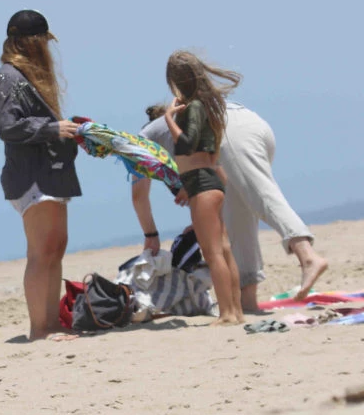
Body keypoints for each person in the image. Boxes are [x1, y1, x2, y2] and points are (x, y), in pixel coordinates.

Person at [132, 98, 327, 313]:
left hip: (231, 130)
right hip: (252, 124)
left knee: (260, 196)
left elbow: (139, 196)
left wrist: (151, 235)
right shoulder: (177, 132)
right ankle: (248, 302)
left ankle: (307, 255)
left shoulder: (144, 142)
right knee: (240, 216)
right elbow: (213, 176)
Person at [0, 10, 82, 341]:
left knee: (56, 247)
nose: (47, 47)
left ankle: (52, 323)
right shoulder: (9, 77)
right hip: (31, 176)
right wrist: (53, 128)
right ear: (33, 42)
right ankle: (39, 328)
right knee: (41, 251)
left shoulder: (28, 77)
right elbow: (7, 126)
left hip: (51, 173)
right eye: (43, 41)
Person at [158, 50, 244, 325]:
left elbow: (187, 143)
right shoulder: (202, 107)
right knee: (223, 248)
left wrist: (168, 118)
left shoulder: (193, 108)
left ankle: (228, 313)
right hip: (207, 180)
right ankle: (236, 311)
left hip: (202, 183)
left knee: (213, 252)